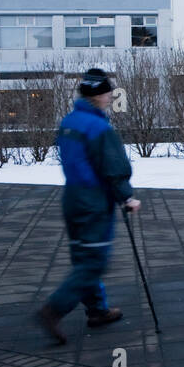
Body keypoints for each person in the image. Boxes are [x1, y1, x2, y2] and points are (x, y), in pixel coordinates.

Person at [37, 68, 140, 345]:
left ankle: (97, 310)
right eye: (107, 92)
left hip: (72, 198)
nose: (110, 96)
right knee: (93, 263)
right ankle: (53, 309)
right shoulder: (99, 128)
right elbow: (114, 168)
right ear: (98, 95)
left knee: (83, 258)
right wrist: (127, 198)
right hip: (93, 202)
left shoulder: (69, 122)